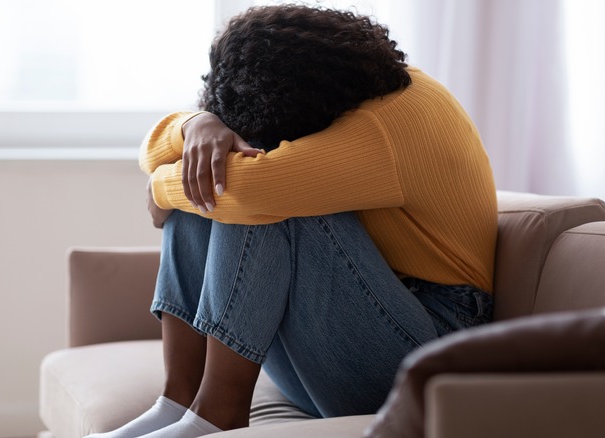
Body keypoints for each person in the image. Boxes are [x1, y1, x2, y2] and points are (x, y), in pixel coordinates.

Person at [88, 4, 497, 438]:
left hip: (425, 351)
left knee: (254, 191)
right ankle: (177, 402)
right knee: (209, 169)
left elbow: (251, 191)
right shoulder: (347, 88)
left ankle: (217, 415)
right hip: (340, 344)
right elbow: (154, 151)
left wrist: (158, 191)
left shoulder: (391, 121)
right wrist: (196, 126)